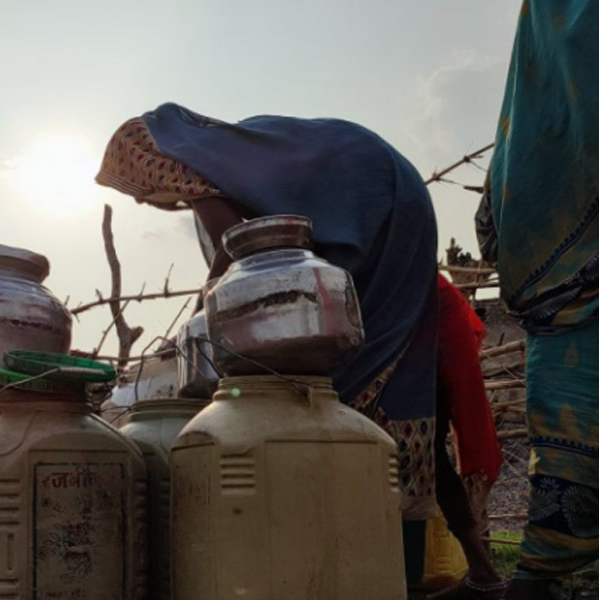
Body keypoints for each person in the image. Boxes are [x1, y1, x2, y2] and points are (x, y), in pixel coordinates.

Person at [96, 103, 440, 584]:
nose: (142, 199)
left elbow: (231, 266)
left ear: (149, 162)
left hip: (379, 208)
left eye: (138, 187)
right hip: (392, 210)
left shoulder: (198, 172)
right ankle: (393, 576)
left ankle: (350, 570)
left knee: (321, 406)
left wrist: (191, 329)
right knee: (396, 381)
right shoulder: (243, 154)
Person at [477, 2, 599, 598]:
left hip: (555, 316)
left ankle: (535, 574)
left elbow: (491, 228)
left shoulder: (528, 110)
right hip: (560, 321)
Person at [430, 274, 504, 600]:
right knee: (425, 452)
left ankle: (484, 573)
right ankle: (482, 572)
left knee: (425, 448)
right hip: (412, 323)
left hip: (424, 326)